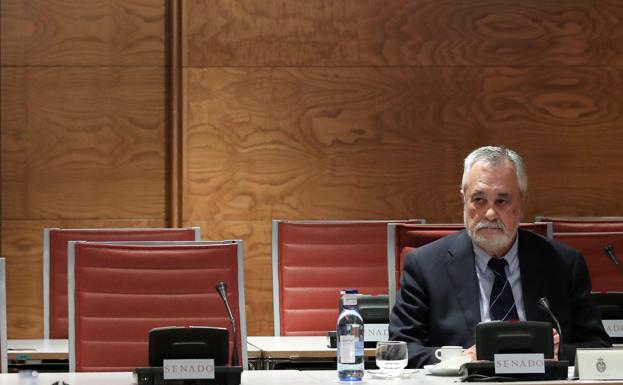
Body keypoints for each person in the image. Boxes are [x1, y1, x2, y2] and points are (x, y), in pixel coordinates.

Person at [389, 145, 611, 368]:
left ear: (522, 204)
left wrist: (559, 351)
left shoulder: (564, 264)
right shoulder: (424, 266)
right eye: (479, 199)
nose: (490, 213)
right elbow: (400, 349)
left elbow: (599, 347)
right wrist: (460, 360)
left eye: (502, 201)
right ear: (464, 200)